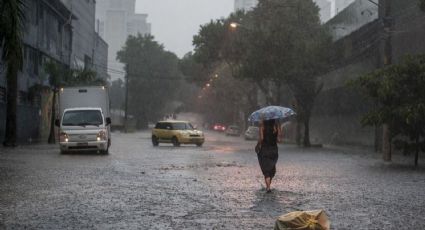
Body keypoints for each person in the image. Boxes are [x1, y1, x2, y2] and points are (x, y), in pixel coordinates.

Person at [257, 119, 281, 193]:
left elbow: (261, 138)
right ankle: (268, 185)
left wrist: (258, 144)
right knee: (272, 170)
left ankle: (268, 187)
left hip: (264, 150)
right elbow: (279, 140)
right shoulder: (276, 127)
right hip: (274, 150)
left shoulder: (262, 127)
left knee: (266, 170)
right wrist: (279, 130)